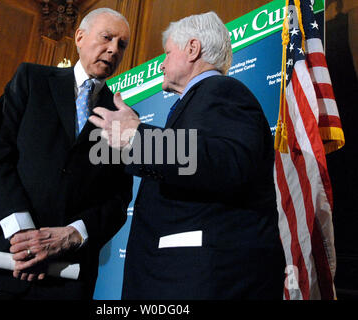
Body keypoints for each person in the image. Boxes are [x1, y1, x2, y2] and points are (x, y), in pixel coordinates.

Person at [89, 11, 286, 299]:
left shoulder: (223, 91)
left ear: (192, 49)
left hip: (201, 280)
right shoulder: (198, 100)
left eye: (168, 53)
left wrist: (138, 137)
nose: (162, 63)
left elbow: (226, 161)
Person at [0, 8, 133, 300]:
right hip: (0, 258)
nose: (113, 49)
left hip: (66, 278)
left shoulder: (123, 116)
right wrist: (22, 235)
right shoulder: (30, 79)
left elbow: (117, 199)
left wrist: (72, 236)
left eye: (121, 45)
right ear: (80, 37)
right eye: (107, 37)